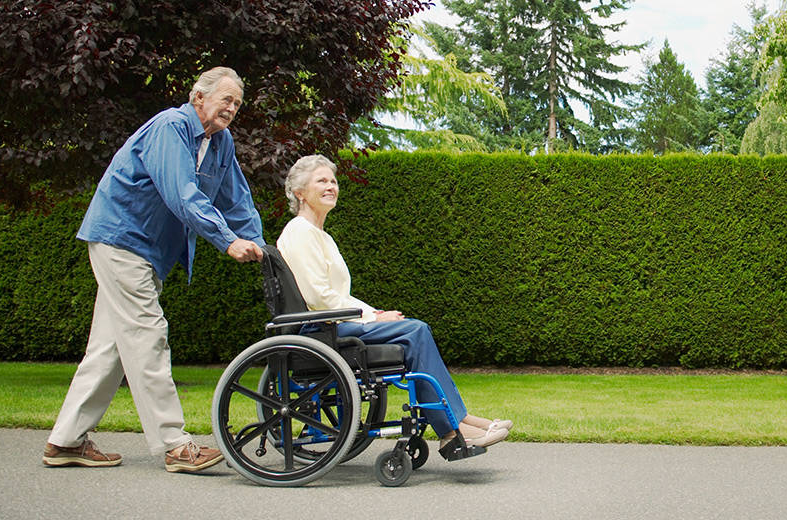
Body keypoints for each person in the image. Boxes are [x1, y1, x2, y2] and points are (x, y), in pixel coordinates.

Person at [42, 67, 266, 473]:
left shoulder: (221, 142)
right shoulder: (170, 127)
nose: (232, 108)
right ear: (199, 97)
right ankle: (175, 445)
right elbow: (182, 193)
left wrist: (261, 245)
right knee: (148, 335)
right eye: (226, 99)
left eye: (237, 103)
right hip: (122, 239)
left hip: (147, 250)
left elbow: (236, 198)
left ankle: (66, 441)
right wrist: (227, 241)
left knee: (109, 349)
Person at [276, 154, 512, 450]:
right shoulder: (300, 232)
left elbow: (338, 295)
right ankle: (452, 428)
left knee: (412, 329)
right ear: (300, 192)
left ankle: (458, 419)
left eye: (333, 181)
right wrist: (371, 319)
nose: (331, 186)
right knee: (415, 331)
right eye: (321, 181)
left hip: (332, 324)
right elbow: (318, 297)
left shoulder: (320, 236)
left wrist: (373, 312)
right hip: (320, 330)